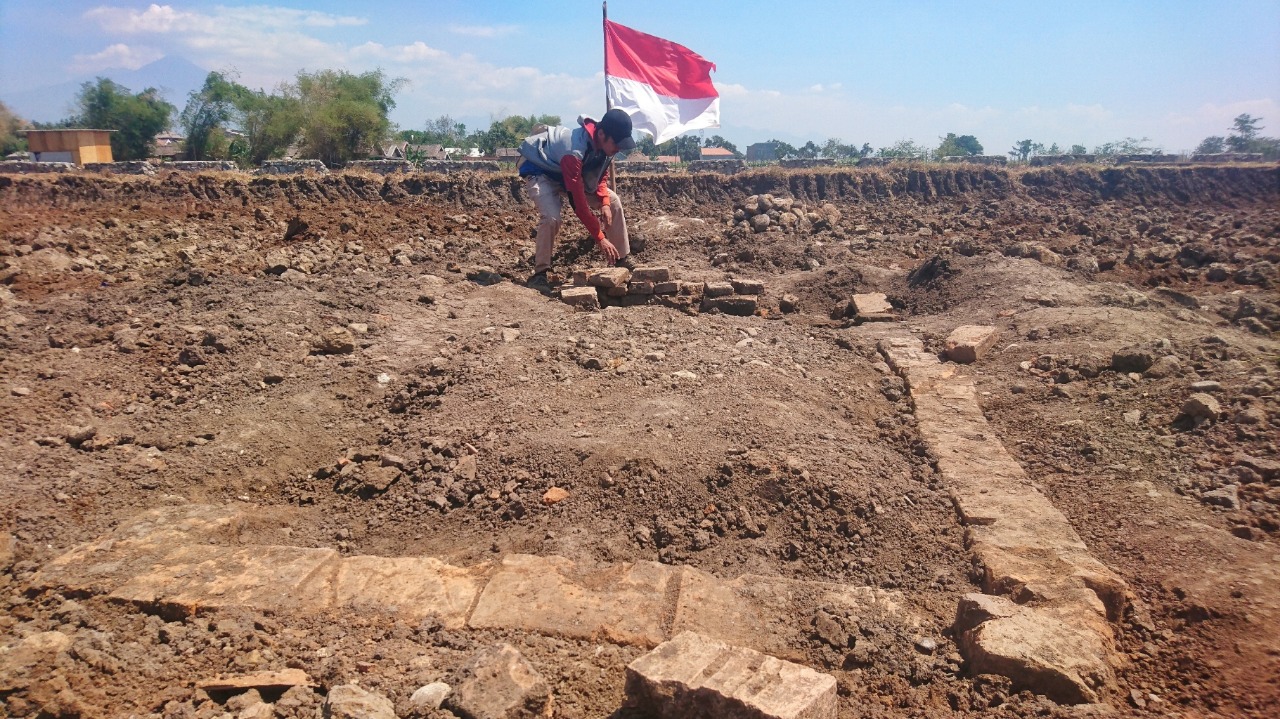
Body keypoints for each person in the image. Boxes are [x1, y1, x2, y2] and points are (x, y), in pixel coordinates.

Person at [517, 109, 638, 294]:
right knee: (551, 218)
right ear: (602, 134)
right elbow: (578, 203)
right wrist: (600, 238)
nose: (618, 149)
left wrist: (604, 202)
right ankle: (540, 273)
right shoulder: (574, 151)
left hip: (566, 173)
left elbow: (601, 173)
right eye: (616, 144)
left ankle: (621, 257)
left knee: (614, 202)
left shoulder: (605, 145)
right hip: (540, 170)